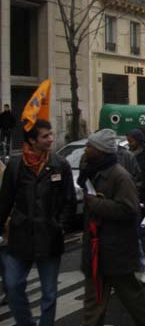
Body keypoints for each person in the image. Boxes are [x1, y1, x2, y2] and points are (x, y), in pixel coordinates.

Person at [0, 119, 75, 326]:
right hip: (20, 237)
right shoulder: (15, 167)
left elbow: (69, 201)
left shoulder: (60, 164)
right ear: (32, 140)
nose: (51, 139)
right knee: (13, 286)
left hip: (49, 238)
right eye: (45, 136)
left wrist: (60, 226)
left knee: (49, 293)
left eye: (51, 134)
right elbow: (5, 201)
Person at [78, 129, 145, 326]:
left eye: (90, 146)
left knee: (132, 299)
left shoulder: (120, 176)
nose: (86, 149)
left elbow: (129, 209)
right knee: (93, 304)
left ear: (101, 151)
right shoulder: (90, 171)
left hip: (116, 250)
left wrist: (96, 204)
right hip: (96, 250)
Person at [126, 128, 145, 283]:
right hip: (132, 197)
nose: (130, 144)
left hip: (143, 197)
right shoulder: (127, 155)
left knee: (144, 231)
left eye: (132, 141)